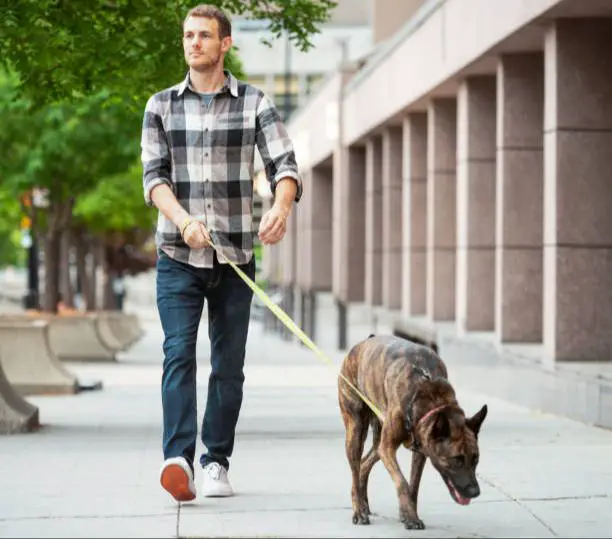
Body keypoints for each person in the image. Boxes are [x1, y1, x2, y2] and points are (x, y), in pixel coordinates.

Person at [140, 4, 301, 503]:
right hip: (177, 255)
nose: (194, 44)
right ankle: (178, 460)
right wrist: (183, 219)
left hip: (234, 257)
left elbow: (285, 164)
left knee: (229, 366)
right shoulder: (160, 105)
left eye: (204, 36)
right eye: (188, 35)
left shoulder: (254, 102)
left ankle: (216, 461)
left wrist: (282, 206)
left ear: (225, 43)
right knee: (177, 353)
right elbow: (154, 179)